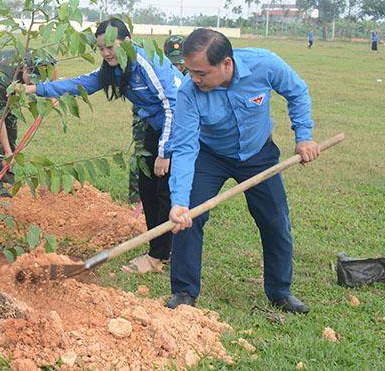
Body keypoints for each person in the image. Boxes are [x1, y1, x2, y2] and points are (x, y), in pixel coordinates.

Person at [162, 28, 319, 313]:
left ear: (226, 64)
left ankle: (280, 291)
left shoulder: (265, 64)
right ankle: (184, 292)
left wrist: (304, 136)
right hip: (210, 156)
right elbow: (184, 147)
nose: (193, 78)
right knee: (189, 217)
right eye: (190, 71)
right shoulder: (188, 91)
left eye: (201, 73)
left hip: (258, 153)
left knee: (275, 220)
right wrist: (179, 201)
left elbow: (297, 92)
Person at [26, 18, 182, 274]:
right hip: (156, 127)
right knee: (147, 187)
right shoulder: (113, 68)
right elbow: (81, 84)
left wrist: (165, 152)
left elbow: (172, 105)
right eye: (101, 48)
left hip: (180, 127)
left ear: (128, 42)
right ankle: (159, 247)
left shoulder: (145, 62)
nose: (106, 52)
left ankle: (158, 257)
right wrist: (36, 89)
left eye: (111, 46)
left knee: (165, 190)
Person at [0, 49, 57, 197]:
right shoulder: (4, 78)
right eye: (32, 79)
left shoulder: (43, 58)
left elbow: (54, 69)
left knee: (11, 127)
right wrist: (8, 152)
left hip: (10, 82)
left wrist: (53, 92)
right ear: (25, 68)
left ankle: (6, 176)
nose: (32, 83)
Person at [128, 34, 188, 206]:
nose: (178, 66)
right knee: (142, 155)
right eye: (173, 62)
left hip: (179, 129)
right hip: (152, 122)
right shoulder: (157, 70)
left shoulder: (191, 75)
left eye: (181, 63)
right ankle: (135, 197)